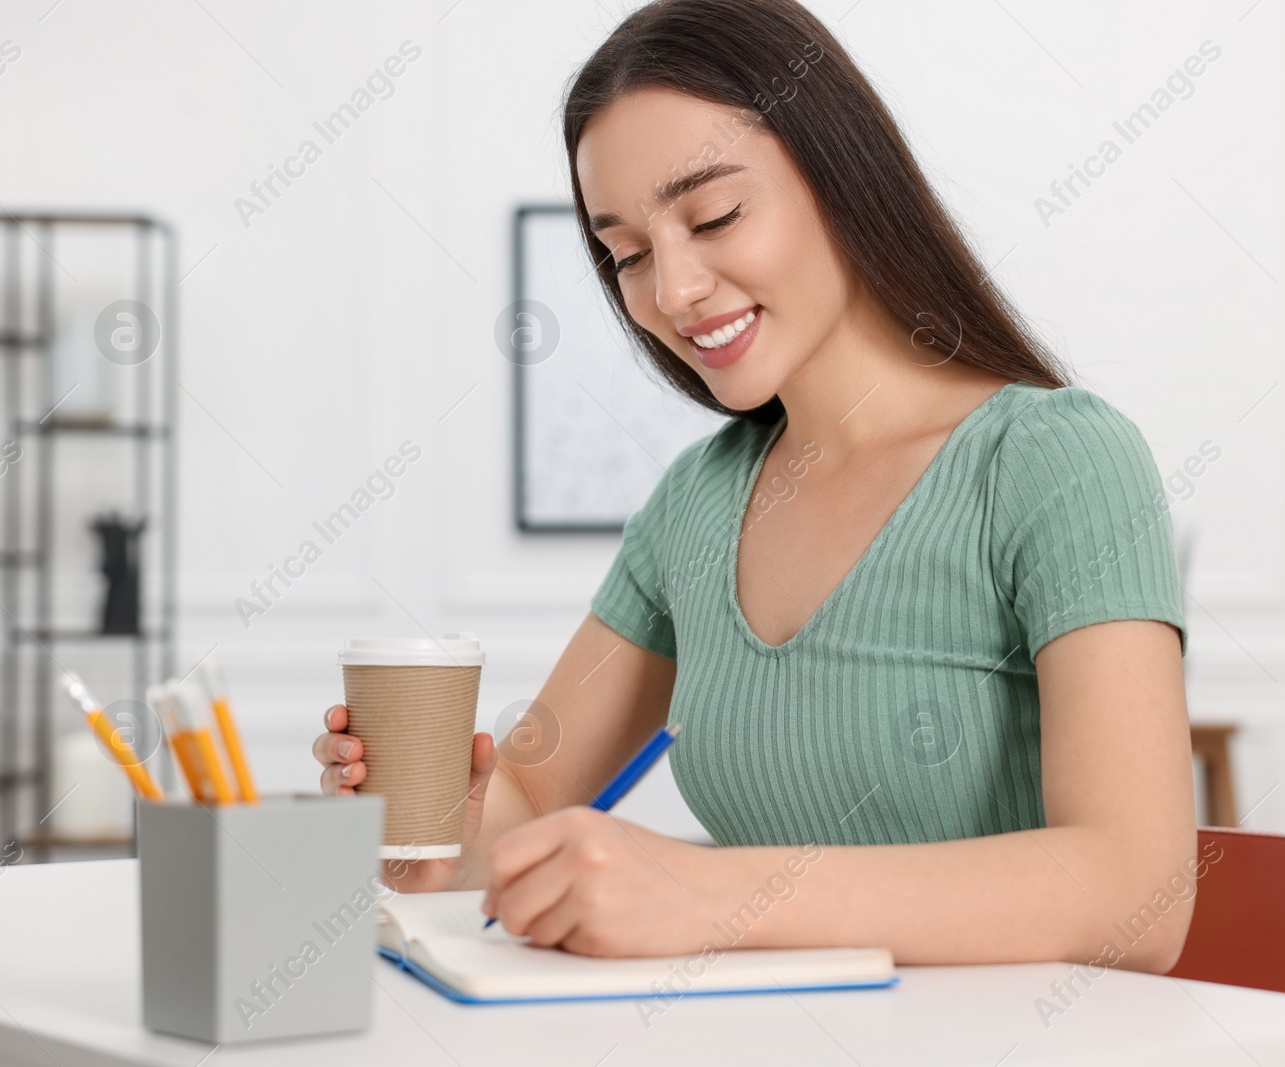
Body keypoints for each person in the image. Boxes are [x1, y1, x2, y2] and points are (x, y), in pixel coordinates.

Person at [315, 0, 1196, 970]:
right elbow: (529, 796)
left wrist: (715, 892)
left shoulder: (1056, 462)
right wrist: (441, 824)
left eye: (715, 216)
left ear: (842, 177)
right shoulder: (696, 502)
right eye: (629, 255)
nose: (673, 291)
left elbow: (1135, 891)